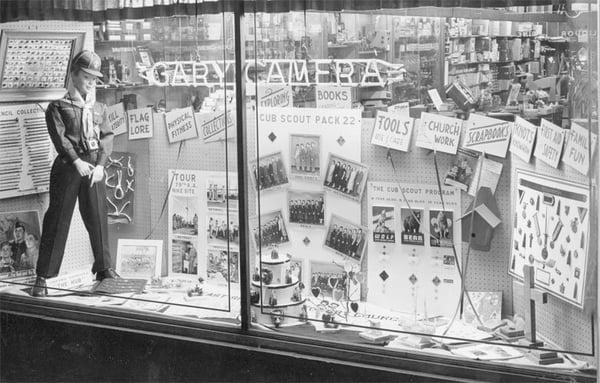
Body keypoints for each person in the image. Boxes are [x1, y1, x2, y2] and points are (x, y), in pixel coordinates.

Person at [32, 51, 118, 297]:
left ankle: (104, 269)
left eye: (94, 78)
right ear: (73, 75)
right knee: (58, 220)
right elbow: (60, 139)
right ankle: (43, 277)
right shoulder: (58, 107)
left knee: (98, 218)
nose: (91, 82)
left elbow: (107, 136)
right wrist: (76, 161)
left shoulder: (98, 107)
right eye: (86, 76)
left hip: (93, 168)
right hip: (69, 168)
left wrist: (101, 164)